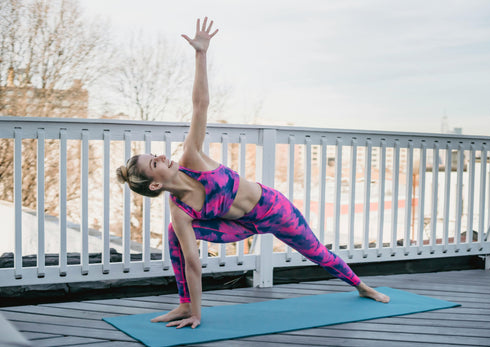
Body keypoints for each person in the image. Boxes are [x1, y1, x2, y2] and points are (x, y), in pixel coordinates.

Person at [116, 17, 390, 329]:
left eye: (156, 155)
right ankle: (184, 306)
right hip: (240, 226)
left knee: (317, 253)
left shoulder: (190, 156)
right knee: (174, 233)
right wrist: (197, 313)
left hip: (272, 209)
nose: (162, 156)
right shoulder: (179, 210)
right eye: (155, 163)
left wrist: (200, 54)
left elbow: (200, 105)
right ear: (155, 185)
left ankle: (362, 286)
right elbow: (192, 263)